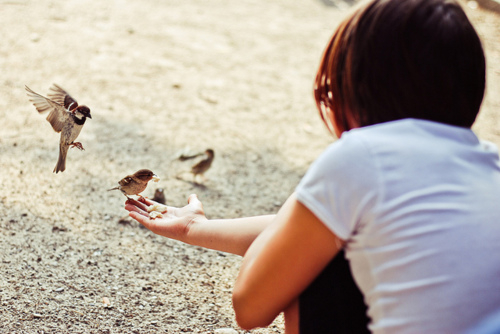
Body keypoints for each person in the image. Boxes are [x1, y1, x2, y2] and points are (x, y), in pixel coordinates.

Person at [125, 0, 500, 332]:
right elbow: (307, 231)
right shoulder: (490, 164)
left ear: (352, 86)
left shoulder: (361, 157)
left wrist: (308, 199)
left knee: (319, 266)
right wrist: (196, 228)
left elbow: (250, 307)